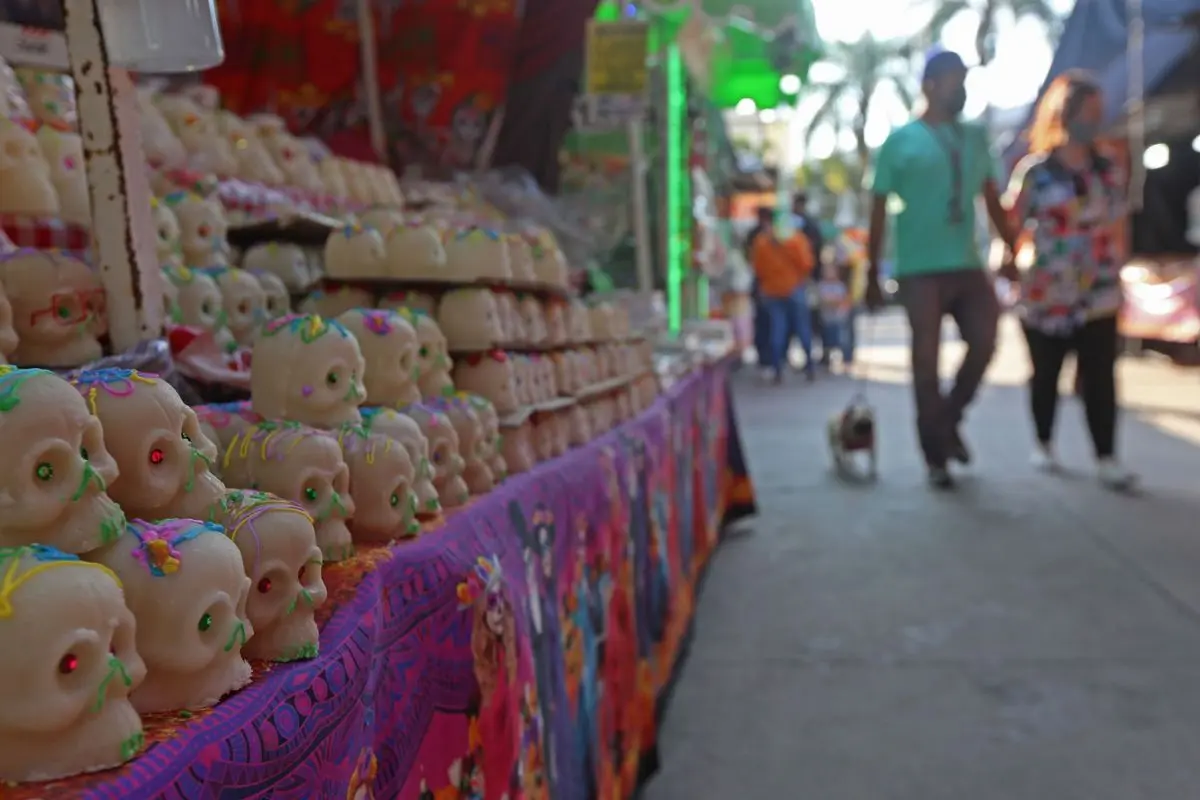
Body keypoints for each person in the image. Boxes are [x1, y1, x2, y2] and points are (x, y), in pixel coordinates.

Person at [866, 48, 1018, 489]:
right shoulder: (900, 140)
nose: (961, 87)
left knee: (986, 338)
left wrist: (1011, 251)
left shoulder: (974, 137)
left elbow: (991, 198)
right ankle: (935, 455)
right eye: (954, 78)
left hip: (966, 262)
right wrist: (872, 273)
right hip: (919, 267)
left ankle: (947, 420)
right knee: (925, 360)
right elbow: (878, 208)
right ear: (930, 85)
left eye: (964, 78)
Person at [1005, 70, 1136, 490]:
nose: (1095, 119)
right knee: (1046, 373)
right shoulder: (1035, 172)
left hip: (1097, 291)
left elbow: (1119, 224)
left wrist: (1119, 268)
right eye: (1087, 111)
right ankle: (1043, 441)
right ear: (1066, 114)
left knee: (1100, 376)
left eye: (1099, 112)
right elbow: (1010, 226)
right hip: (1047, 292)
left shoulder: (1108, 169)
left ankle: (1106, 456)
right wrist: (1014, 263)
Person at [750, 209, 816, 382]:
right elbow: (806, 264)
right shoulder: (796, 240)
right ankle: (809, 365)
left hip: (771, 291)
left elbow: (758, 268)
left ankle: (777, 368)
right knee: (803, 328)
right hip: (794, 288)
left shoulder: (761, 242)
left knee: (777, 329)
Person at [792, 192, 829, 363]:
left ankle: (817, 355)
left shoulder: (803, 226)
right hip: (799, 280)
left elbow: (813, 255)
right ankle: (813, 357)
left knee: (808, 319)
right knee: (805, 319)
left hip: (806, 280)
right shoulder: (797, 224)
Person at [746, 206, 775, 368]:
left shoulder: (757, 237)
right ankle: (770, 357)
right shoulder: (778, 236)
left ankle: (766, 356)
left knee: (765, 323)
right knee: (771, 323)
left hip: (764, 286)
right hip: (769, 287)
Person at [815, 262, 850, 368]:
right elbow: (820, 300)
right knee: (826, 340)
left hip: (839, 318)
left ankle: (846, 359)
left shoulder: (840, 286)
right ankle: (826, 358)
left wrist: (830, 301)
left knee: (842, 339)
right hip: (826, 319)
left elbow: (843, 301)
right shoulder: (821, 286)